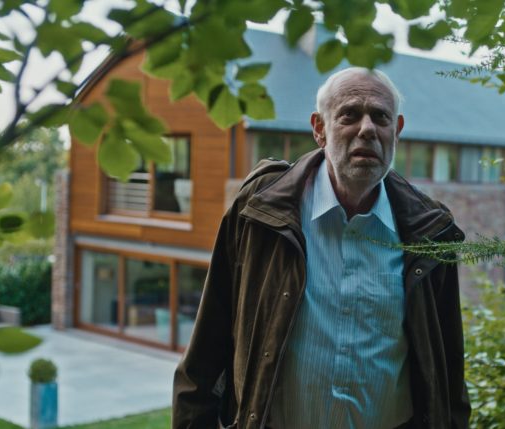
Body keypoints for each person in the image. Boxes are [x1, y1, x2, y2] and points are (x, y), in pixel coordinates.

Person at [172, 67, 471, 429]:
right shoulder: (261, 211)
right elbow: (207, 347)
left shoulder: (429, 232)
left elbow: (448, 370)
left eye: (380, 117)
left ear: (397, 130)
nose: (367, 129)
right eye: (350, 114)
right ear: (319, 129)